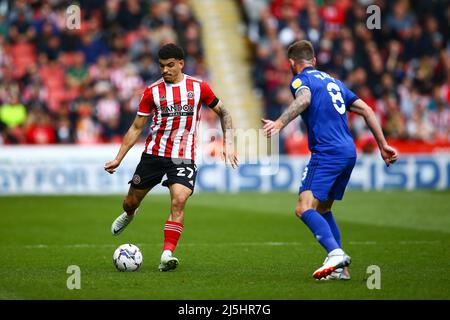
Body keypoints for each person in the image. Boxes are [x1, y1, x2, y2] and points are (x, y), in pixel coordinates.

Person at [262, 40, 398, 280]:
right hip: (348, 152)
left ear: (292, 63)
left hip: (326, 152)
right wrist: (382, 144)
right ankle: (341, 270)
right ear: (314, 60)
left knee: (303, 207)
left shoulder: (300, 80)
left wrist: (280, 122)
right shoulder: (335, 82)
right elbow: (366, 109)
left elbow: (304, 100)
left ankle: (335, 253)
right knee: (323, 208)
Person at [104, 43, 238, 271]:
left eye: (170, 65)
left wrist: (229, 142)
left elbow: (224, 112)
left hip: (183, 156)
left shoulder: (199, 87)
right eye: (162, 66)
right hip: (154, 155)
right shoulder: (152, 92)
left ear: (181, 64)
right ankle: (130, 213)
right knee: (130, 201)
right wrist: (119, 158)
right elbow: (136, 127)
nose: (165, 70)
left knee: (179, 200)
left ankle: (167, 254)